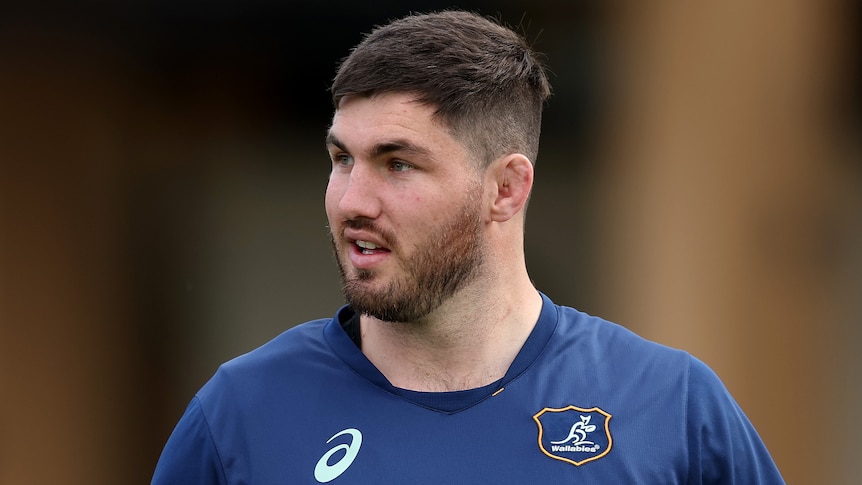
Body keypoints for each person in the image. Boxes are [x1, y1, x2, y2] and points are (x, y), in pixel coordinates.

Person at [152, 10, 784, 484]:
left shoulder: (669, 407)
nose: (351, 202)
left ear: (505, 188)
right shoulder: (240, 414)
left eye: (397, 164)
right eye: (342, 159)